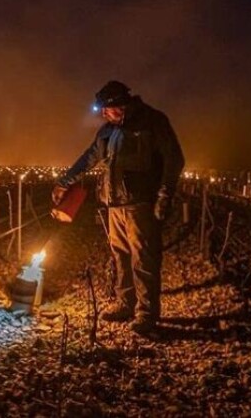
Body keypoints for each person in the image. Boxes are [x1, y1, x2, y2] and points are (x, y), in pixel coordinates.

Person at [52, 80, 185, 335]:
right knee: (121, 257)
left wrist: (164, 195)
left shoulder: (153, 122)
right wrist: (63, 182)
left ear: (121, 106)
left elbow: (174, 159)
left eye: (107, 109)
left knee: (144, 259)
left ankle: (146, 315)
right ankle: (126, 304)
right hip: (114, 205)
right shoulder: (107, 132)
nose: (103, 115)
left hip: (140, 205)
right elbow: (89, 158)